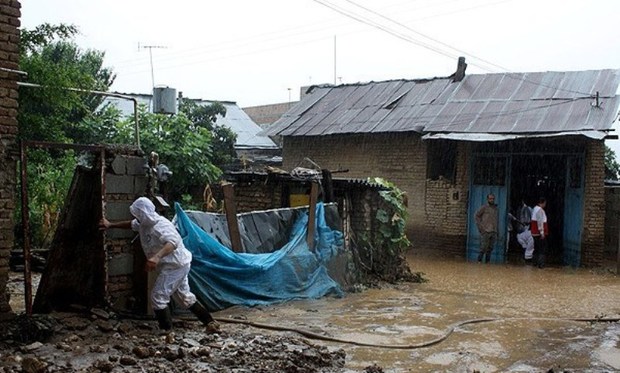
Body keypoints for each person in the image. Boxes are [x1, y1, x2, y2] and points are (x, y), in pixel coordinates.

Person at [100, 197, 220, 333]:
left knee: (158, 297)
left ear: (143, 213)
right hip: (174, 264)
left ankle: (166, 331)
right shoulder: (144, 222)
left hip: (175, 265)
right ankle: (210, 322)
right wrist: (111, 225)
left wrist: (156, 257)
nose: (136, 218)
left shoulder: (161, 225)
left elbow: (172, 242)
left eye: (138, 215)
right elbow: (131, 224)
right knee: (184, 297)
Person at [475, 193, 498, 263]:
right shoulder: (484, 207)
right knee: (483, 248)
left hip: (493, 231)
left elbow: (497, 220)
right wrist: (480, 227)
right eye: (490, 199)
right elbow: (476, 216)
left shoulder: (496, 209)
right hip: (485, 231)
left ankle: (487, 263)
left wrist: (497, 231)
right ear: (487, 199)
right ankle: (479, 261)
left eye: (493, 199)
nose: (492, 200)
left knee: (490, 248)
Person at [530, 197, 549, 268]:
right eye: (545, 203)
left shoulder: (534, 209)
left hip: (534, 232)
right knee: (542, 249)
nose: (545, 205)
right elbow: (540, 222)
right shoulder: (540, 210)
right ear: (542, 203)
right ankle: (541, 264)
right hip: (538, 233)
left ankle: (534, 262)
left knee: (536, 248)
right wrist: (542, 233)